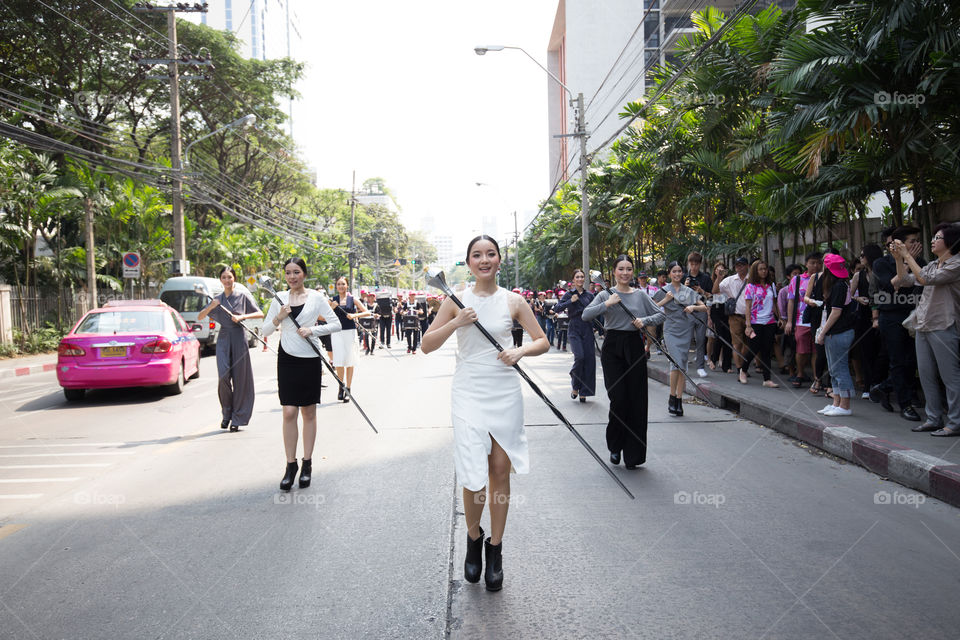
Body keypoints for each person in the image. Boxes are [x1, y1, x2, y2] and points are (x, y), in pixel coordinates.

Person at [421, 235, 548, 592]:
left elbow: (543, 341)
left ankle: (495, 549)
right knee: (473, 471)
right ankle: (473, 537)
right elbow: (427, 345)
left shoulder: (514, 300)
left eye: (490, 254)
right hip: (468, 391)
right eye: (477, 255)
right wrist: (455, 321)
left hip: (503, 390)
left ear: (499, 260)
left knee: (499, 469)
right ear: (468, 262)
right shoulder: (454, 299)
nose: (484, 260)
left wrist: (519, 352)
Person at [262, 258, 341, 492]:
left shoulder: (316, 298)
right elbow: (265, 330)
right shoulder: (279, 297)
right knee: (288, 412)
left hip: (309, 358)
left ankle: (307, 463)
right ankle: (290, 465)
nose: (292, 277)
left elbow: (335, 323)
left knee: (308, 411)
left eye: (296, 272)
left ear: (304, 274)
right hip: (286, 357)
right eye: (288, 273)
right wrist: (279, 318)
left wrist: (312, 329)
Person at [583, 255, 665, 468]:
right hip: (612, 347)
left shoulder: (640, 295)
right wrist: (606, 304)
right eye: (621, 269)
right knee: (618, 398)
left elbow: (660, 314)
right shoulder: (604, 293)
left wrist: (643, 321)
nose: (625, 273)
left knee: (636, 400)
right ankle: (615, 446)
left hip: (633, 345)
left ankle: (633, 455)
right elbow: (585, 314)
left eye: (629, 269)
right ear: (614, 272)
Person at [891, 223, 960, 436]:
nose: (932, 241)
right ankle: (933, 418)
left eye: (937, 237)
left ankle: (955, 422)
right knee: (927, 375)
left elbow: (925, 279)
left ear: (951, 242)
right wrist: (898, 259)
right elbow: (902, 281)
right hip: (924, 323)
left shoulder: (955, 264)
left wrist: (907, 256)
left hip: (944, 324)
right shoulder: (933, 264)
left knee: (950, 377)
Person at [197, 266, 264, 431]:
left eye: (230, 277)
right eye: (224, 277)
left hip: (239, 336)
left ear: (234, 278)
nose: (227, 280)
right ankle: (226, 413)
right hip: (224, 338)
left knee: (240, 378)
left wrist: (242, 316)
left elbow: (259, 313)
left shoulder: (242, 296)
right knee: (223, 376)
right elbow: (200, 316)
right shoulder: (217, 299)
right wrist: (212, 306)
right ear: (220, 279)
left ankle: (238, 418)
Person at [872, 226, 925, 421]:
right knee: (898, 360)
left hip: (914, 315)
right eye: (912, 241)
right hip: (891, 316)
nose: (917, 245)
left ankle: (884, 387)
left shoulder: (921, 261)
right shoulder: (881, 264)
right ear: (899, 244)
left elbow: (926, 282)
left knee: (912, 361)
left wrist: (911, 260)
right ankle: (905, 404)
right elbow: (892, 285)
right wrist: (905, 262)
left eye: (917, 241)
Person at [655, 261, 708, 416]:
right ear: (669, 273)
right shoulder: (664, 289)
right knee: (675, 363)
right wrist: (665, 300)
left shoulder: (688, 290)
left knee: (682, 365)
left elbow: (704, 306)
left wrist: (693, 307)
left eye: (679, 271)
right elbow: (652, 307)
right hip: (671, 330)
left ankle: (679, 399)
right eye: (674, 271)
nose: (677, 274)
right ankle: (672, 397)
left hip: (686, 330)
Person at [815, 254, 857, 416]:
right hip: (835, 332)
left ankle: (845, 405)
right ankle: (836, 402)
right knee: (834, 369)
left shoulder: (839, 286)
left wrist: (822, 332)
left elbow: (836, 312)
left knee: (840, 369)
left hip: (839, 332)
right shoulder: (838, 285)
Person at [554, 269, 596, 403]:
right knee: (580, 357)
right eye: (577, 277)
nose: (580, 279)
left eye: (582, 277)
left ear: (584, 279)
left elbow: (597, 309)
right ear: (573, 280)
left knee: (589, 360)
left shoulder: (590, 295)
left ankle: (584, 391)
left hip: (587, 328)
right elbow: (557, 309)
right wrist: (570, 301)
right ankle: (575, 384)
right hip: (574, 328)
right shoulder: (568, 294)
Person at [740, 260, 781, 388]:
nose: (764, 271)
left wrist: (779, 318)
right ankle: (743, 370)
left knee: (767, 350)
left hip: (769, 322)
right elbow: (748, 307)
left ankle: (767, 379)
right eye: (761, 269)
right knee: (754, 348)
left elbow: (774, 304)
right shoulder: (750, 286)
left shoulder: (771, 286)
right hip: (755, 321)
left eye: (765, 269)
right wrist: (748, 325)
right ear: (755, 271)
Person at [785, 253, 823, 388]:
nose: (816, 266)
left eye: (818, 263)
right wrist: (790, 321)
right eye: (812, 262)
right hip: (801, 320)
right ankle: (800, 373)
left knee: (816, 350)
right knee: (801, 350)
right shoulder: (797, 280)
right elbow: (791, 301)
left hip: (819, 320)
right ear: (806, 264)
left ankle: (816, 378)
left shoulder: (825, 278)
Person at [330, 276, 371, 402]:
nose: (341, 286)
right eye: (338, 284)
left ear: (347, 285)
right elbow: (324, 316)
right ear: (336, 286)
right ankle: (341, 386)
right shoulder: (333, 300)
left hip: (350, 332)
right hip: (337, 333)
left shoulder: (352, 299)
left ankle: (348, 388)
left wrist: (354, 315)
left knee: (350, 360)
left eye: (343, 284)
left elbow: (367, 312)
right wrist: (332, 307)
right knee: (339, 361)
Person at [715, 257, 750, 372]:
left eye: (742, 265)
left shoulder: (752, 278)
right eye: (737, 265)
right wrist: (719, 277)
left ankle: (743, 364)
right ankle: (740, 368)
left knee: (749, 344)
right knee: (736, 343)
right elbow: (715, 291)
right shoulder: (729, 280)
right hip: (735, 316)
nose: (739, 267)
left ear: (747, 266)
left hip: (751, 317)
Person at [683, 251, 713, 377]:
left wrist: (702, 291)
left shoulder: (705, 278)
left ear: (700, 264)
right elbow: (678, 297)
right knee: (686, 339)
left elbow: (711, 297)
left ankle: (700, 366)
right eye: (692, 263)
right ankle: (682, 365)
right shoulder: (684, 277)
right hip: (687, 312)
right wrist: (684, 287)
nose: (694, 266)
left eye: (696, 264)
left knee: (701, 340)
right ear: (689, 263)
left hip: (701, 311)